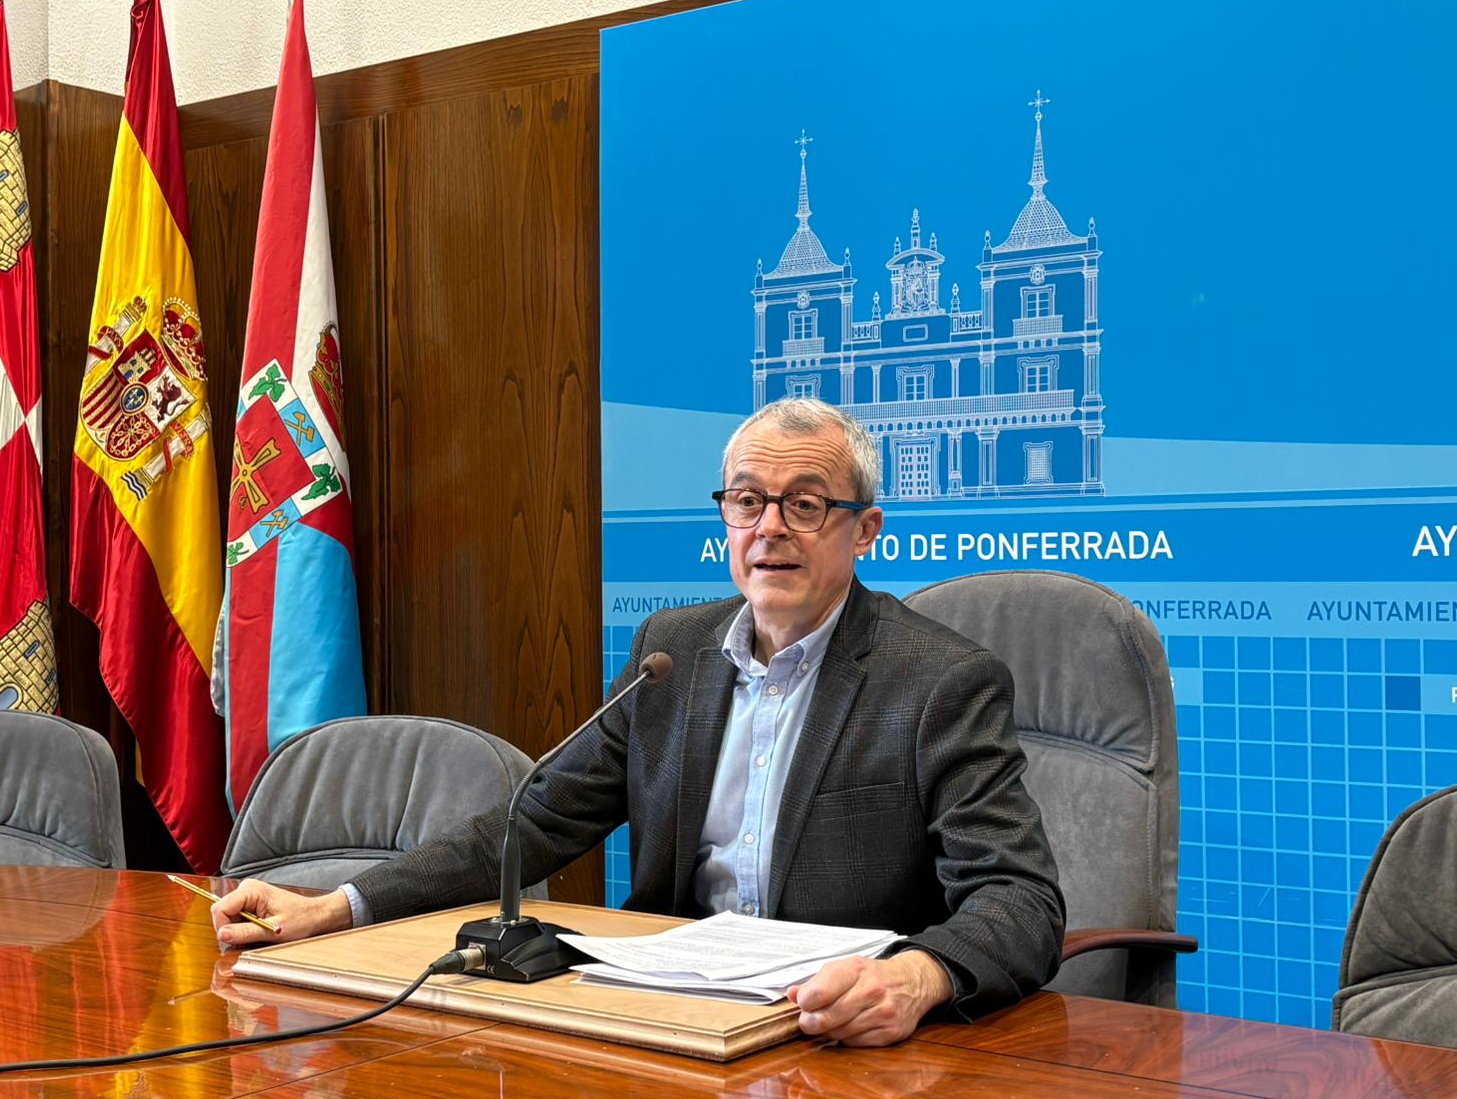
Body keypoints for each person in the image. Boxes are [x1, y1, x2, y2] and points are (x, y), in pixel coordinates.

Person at [213, 397, 1064, 1047]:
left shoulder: (942, 682)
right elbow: (528, 825)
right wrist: (338, 906)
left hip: (835, 1039)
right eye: (748, 501)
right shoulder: (673, 652)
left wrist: (919, 976)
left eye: (805, 504)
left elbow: (1019, 899)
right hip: (673, 1022)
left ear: (864, 530)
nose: (770, 527)